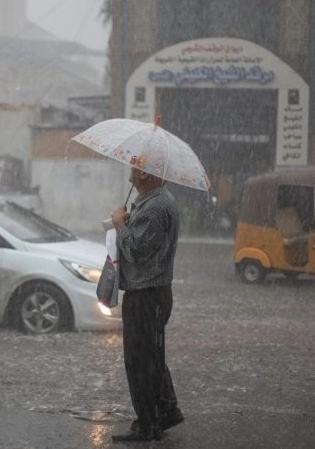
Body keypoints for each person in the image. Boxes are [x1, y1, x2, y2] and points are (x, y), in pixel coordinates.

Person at [109, 164, 184, 442]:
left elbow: (137, 251)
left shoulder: (154, 207)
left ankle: (148, 425)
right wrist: (128, 223)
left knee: (140, 360)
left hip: (146, 294)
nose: (130, 168)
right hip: (152, 292)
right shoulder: (155, 202)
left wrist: (119, 225)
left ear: (144, 175)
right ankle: (164, 411)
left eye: (135, 165)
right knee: (151, 356)